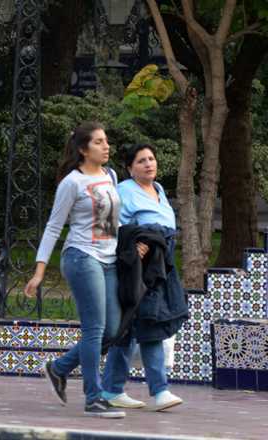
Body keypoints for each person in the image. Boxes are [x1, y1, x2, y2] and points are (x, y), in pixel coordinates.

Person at [25, 121, 128, 418]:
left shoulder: (110, 175)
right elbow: (54, 226)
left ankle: (58, 368)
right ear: (83, 150)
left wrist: (133, 241)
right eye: (98, 142)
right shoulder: (72, 182)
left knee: (112, 329)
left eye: (106, 141)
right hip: (82, 258)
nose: (106, 146)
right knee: (94, 329)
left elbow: (112, 221)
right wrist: (39, 271)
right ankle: (94, 398)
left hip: (109, 260)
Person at [99, 144, 186, 411]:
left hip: (162, 265)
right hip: (139, 267)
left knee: (128, 328)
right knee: (151, 324)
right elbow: (111, 224)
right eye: (141, 161)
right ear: (130, 168)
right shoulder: (124, 190)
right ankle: (160, 391)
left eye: (151, 158)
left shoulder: (158, 189)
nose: (149, 164)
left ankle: (111, 389)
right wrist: (135, 243)